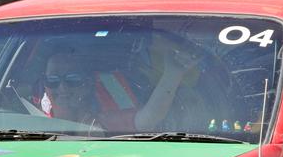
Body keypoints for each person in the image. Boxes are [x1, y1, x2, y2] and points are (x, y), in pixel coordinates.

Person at [40, 45, 197, 132]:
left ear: (88, 85)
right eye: (52, 80)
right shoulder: (31, 120)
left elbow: (149, 118)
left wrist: (173, 73)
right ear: (45, 85)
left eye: (72, 80)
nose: (62, 88)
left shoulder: (101, 122)